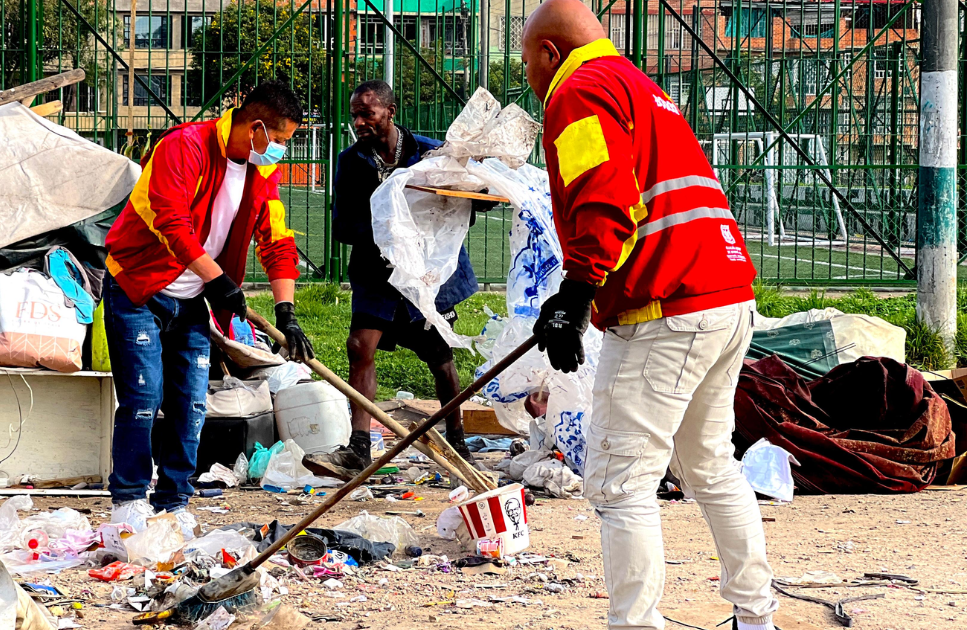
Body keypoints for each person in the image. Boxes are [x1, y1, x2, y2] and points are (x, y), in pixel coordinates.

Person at [521, 2, 778, 629]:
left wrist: (577, 294)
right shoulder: (642, 88)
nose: (530, 78)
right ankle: (756, 616)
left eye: (528, 64)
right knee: (711, 465)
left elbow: (604, 198)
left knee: (620, 482)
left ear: (550, 53)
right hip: (724, 295)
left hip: (666, 309)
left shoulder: (577, 90)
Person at [103, 81, 315, 532]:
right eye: (278, 141)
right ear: (256, 127)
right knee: (143, 398)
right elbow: (172, 224)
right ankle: (128, 500)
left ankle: (174, 501)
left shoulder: (262, 173)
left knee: (191, 404)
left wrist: (286, 311)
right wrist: (218, 281)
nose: (280, 151)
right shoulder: (184, 146)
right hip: (139, 286)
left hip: (195, 299)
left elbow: (276, 240)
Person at [302, 80, 486, 480]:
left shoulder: (431, 153)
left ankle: (457, 441)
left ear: (390, 111)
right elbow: (343, 227)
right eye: (354, 114)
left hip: (424, 274)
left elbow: (464, 211)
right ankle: (358, 449)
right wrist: (388, 227)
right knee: (358, 346)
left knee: (440, 360)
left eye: (367, 112)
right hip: (377, 273)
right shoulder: (351, 161)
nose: (358, 121)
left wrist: (466, 193)